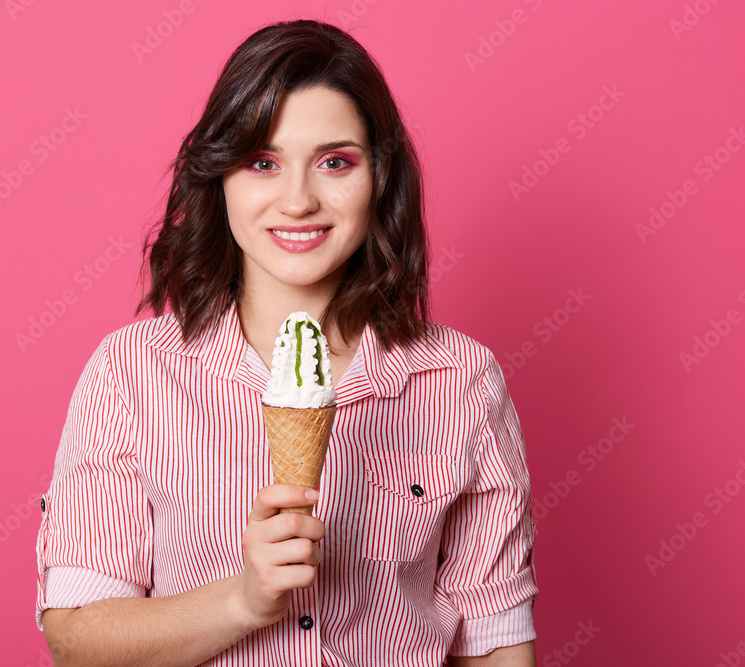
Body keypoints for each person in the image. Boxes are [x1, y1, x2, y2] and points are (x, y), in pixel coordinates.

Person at [35, 19, 538, 667]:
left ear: (380, 177)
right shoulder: (131, 375)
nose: (298, 200)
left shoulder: (461, 379)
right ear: (220, 177)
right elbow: (78, 642)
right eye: (262, 162)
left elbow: (496, 646)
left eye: (335, 161)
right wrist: (244, 601)